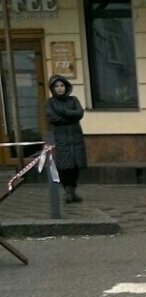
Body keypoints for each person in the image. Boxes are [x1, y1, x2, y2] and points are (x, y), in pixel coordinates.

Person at [46, 74, 87, 203]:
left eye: (62, 85)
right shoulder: (50, 102)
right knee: (64, 167)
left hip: (75, 138)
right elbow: (53, 118)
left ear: (66, 86)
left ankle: (72, 191)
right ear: (52, 88)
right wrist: (71, 116)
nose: (59, 88)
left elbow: (79, 113)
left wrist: (64, 112)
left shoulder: (73, 100)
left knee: (75, 166)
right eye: (56, 86)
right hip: (61, 139)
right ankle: (67, 192)